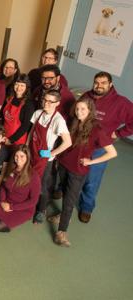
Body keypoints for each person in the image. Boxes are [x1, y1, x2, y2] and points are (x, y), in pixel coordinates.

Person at [49, 96, 117, 246]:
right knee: (66, 193)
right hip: (63, 164)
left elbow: (112, 153)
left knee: (69, 201)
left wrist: (91, 161)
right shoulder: (73, 122)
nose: (79, 112)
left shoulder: (97, 130)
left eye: (83, 109)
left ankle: (62, 232)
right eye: (77, 108)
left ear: (90, 110)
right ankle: (62, 216)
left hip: (78, 170)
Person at [77, 71, 133, 223]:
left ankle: (87, 207)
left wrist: (119, 133)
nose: (99, 85)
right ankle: (65, 193)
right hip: (80, 143)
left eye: (103, 83)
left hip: (99, 148)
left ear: (110, 85)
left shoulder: (121, 103)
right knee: (74, 172)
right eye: (96, 82)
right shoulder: (86, 96)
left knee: (92, 180)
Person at [30, 90, 72, 224]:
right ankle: (29, 205)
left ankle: (41, 210)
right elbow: (32, 132)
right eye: (45, 99)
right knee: (30, 180)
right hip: (32, 154)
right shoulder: (38, 113)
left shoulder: (58, 120)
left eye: (50, 101)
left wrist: (51, 153)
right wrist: (26, 148)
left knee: (44, 187)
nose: (46, 103)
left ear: (57, 103)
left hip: (45, 160)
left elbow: (68, 142)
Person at [0, 145, 41, 232]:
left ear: (27, 157)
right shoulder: (11, 168)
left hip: (22, 208)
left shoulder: (34, 177)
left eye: (22, 156)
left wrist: (12, 207)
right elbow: (3, 187)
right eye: (16, 156)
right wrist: (2, 201)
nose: (18, 158)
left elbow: (33, 201)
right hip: (7, 201)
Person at [0, 74, 35, 146]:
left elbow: (25, 126)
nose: (19, 88)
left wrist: (11, 140)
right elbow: (2, 118)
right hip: (3, 136)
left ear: (27, 87)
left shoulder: (28, 104)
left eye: (22, 85)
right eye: (17, 84)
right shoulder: (9, 98)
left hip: (17, 140)